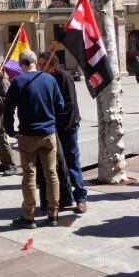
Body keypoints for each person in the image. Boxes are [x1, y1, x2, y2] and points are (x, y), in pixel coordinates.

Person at [4, 50, 64, 229]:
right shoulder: (49, 79)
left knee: (29, 176)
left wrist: (10, 130)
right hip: (48, 133)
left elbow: (8, 109)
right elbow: (60, 105)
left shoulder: (18, 82)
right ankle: (53, 214)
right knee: (51, 174)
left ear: (21, 65)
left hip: (28, 135)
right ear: (36, 62)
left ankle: (29, 216)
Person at [38, 51, 87, 214]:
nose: (41, 67)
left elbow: (69, 105)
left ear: (54, 65)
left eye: (44, 64)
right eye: (39, 65)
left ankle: (81, 198)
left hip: (67, 126)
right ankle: (64, 197)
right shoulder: (44, 79)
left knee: (72, 160)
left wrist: (61, 122)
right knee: (56, 164)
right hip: (53, 127)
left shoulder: (63, 77)